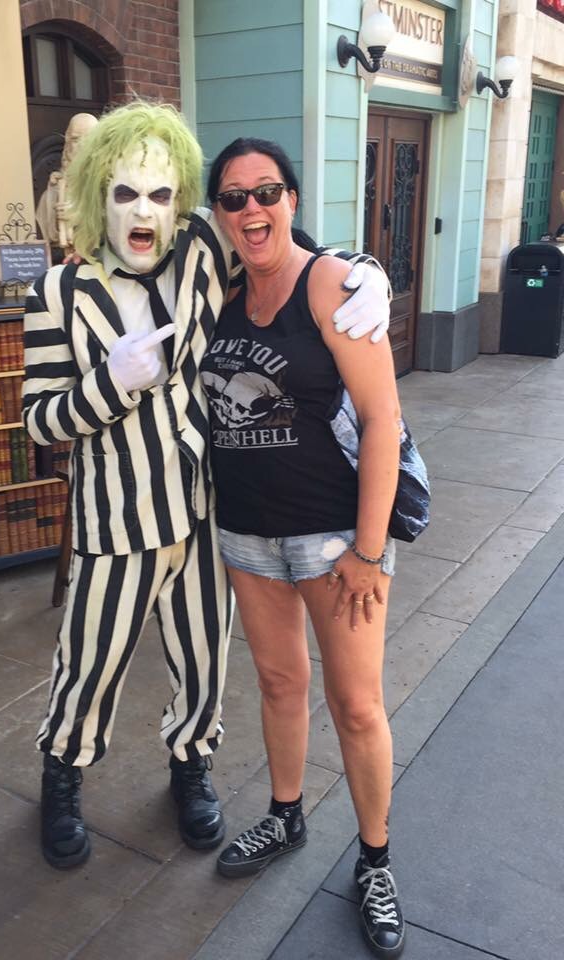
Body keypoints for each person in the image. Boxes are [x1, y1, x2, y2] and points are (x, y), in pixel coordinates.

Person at [22, 102, 390, 873]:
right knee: (89, 663)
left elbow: (278, 248)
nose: (144, 212)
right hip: (115, 522)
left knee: (203, 664)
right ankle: (63, 775)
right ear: (96, 195)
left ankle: (191, 766)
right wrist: (110, 384)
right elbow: (40, 422)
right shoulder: (56, 294)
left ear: (180, 202)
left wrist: (366, 273)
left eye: (160, 195)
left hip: (204, 516)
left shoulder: (198, 256)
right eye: (125, 194)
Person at [200, 137, 406, 959]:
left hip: (333, 539)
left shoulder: (330, 284)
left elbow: (384, 420)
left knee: (356, 705)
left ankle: (376, 860)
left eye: (266, 192)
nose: (251, 209)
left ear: (292, 198)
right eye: (233, 197)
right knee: (280, 684)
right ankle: (286, 816)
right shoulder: (217, 293)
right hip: (246, 531)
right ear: (219, 213)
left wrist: (368, 549)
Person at [35, 112, 99, 253]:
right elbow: (48, 232)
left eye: (88, 139)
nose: (82, 145)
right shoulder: (53, 193)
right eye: (76, 139)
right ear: (67, 143)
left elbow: (117, 221)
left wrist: (81, 216)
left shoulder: (110, 185)